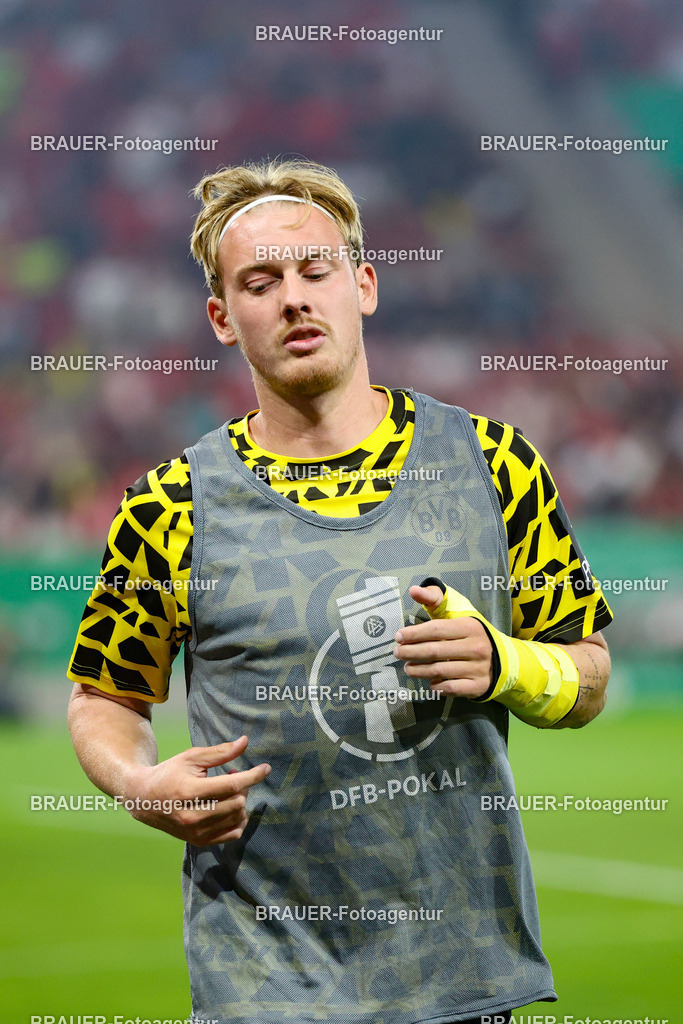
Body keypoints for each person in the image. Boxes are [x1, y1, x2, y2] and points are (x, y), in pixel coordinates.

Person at [67, 158, 612, 1024]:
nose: (293, 299)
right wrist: (139, 783)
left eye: (315, 271)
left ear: (363, 286)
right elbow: (105, 694)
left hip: (460, 978)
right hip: (265, 990)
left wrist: (507, 665)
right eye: (260, 282)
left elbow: (587, 678)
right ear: (222, 317)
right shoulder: (169, 506)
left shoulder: (493, 464)